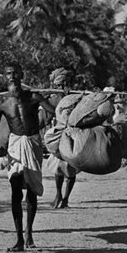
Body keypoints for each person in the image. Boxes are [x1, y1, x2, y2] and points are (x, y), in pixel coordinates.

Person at [0, 62, 55, 251]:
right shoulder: (1, 102)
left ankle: (29, 234)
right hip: (15, 147)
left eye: (15, 73)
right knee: (15, 190)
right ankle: (19, 240)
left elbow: (54, 111)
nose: (12, 76)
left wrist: (63, 97)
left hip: (32, 144)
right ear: (5, 77)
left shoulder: (33, 97)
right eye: (8, 73)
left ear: (22, 75)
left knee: (31, 190)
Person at [44, 68, 79, 209]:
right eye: (60, 84)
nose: (63, 86)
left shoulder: (77, 97)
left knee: (71, 169)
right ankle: (58, 194)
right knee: (58, 168)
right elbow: (49, 114)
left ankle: (66, 199)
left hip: (74, 134)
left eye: (65, 83)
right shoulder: (53, 98)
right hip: (59, 134)